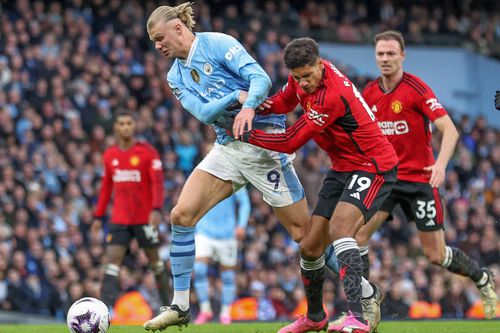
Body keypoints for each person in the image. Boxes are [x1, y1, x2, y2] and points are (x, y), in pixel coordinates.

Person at [143, 3, 344, 331]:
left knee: (303, 235)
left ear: (179, 28)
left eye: (160, 38)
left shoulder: (218, 44)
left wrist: (248, 104)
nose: (158, 46)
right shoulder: (174, 76)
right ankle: (180, 306)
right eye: (154, 42)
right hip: (227, 148)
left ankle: (363, 290)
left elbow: (261, 79)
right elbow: (205, 114)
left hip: (265, 146)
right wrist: (235, 96)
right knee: (181, 215)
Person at [229, 37, 399, 333]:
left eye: (308, 75)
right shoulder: (301, 79)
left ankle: (357, 317)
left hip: (374, 165)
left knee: (340, 230)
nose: (304, 83)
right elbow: (283, 102)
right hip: (343, 167)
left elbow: (290, 141)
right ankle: (315, 317)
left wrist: (245, 134)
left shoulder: (331, 95)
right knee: (309, 246)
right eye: (297, 77)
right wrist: (250, 104)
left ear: (321, 65)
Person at [355, 30, 498, 319]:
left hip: (420, 180)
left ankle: (481, 277)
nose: (385, 59)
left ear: (402, 56)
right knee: (357, 238)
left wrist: (441, 164)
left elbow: (450, 129)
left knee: (435, 256)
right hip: (386, 179)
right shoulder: (369, 93)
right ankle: (365, 308)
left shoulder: (416, 89)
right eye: (380, 54)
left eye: (391, 53)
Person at [92, 111, 171, 311]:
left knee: (155, 263)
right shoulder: (110, 155)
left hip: (145, 218)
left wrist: (156, 209)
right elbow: (106, 188)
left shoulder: (147, 152)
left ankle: (170, 307)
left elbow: (158, 183)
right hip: (120, 219)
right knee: (112, 260)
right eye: (122, 123)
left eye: (129, 123)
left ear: (134, 126)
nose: (125, 127)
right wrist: (98, 216)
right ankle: (105, 310)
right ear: (116, 128)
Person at [193, 186, 251, 325]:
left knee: (228, 277)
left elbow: (245, 202)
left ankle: (225, 313)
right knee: (199, 271)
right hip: (204, 231)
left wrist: (242, 225)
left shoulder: (233, 176)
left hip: (227, 234)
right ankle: (205, 310)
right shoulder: (203, 175)